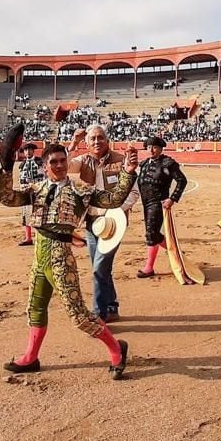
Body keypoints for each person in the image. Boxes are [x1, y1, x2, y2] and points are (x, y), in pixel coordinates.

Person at [0, 131, 137, 379]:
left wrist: (127, 172)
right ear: (44, 166)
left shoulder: (81, 190)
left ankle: (117, 350)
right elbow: (7, 198)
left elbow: (113, 198)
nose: (60, 165)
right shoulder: (35, 189)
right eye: (54, 162)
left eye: (63, 160)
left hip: (61, 256)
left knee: (78, 314)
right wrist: (6, 168)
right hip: (40, 255)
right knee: (35, 308)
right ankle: (30, 357)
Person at [67, 125, 139, 322]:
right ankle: (112, 305)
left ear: (107, 140)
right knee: (101, 267)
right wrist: (74, 143)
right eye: (92, 139)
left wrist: (114, 210)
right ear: (87, 143)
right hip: (91, 222)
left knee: (99, 268)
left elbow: (133, 192)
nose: (97, 142)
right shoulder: (83, 160)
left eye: (101, 138)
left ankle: (99, 313)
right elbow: (61, 166)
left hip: (114, 223)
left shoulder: (120, 160)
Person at [135, 136, 188, 278]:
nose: (151, 150)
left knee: (151, 234)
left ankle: (149, 267)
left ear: (160, 148)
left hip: (158, 203)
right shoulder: (144, 164)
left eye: (155, 147)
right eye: (149, 147)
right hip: (146, 203)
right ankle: (175, 250)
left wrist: (172, 198)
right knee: (153, 233)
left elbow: (182, 181)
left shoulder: (167, 163)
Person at [16, 142, 44, 246]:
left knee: (39, 214)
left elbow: (43, 176)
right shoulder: (22, 164)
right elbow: (21, 179)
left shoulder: (39, 162)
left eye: (30, 150)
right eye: (26, 150)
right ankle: (28, 238)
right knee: (26, 215)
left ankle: (39, 238)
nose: (28, 152)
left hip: (37, 191)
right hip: (26, 192)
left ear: (33, 151)